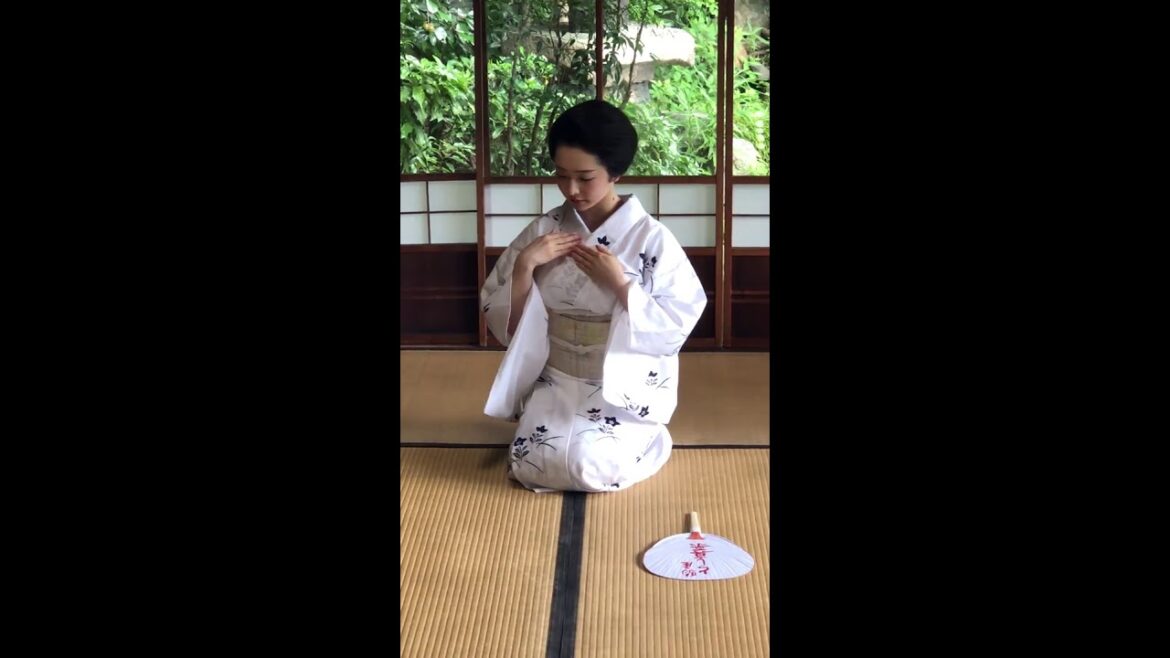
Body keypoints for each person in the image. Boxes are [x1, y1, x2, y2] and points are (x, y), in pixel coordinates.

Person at [480, 99, 706, 493]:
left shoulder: (650, 239)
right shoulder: (543, 230)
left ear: (615, 172)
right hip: (555, 377)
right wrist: (524, 268)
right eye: (561, 175)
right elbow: (504, 321)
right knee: (533, 460)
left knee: (590, 465)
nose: (571, 190)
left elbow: (676, 323)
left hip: (617, 384)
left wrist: (620, 284)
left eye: (585, 177)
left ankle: (649, 435)